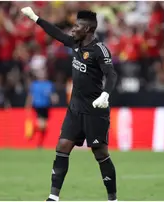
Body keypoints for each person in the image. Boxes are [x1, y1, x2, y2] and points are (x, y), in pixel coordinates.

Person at [21, 7, 118, 202]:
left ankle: (112, 199)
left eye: (77, 26)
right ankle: (53, 197)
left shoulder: (100, 50)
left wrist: (105, 94)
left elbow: (111, 74)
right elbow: (56, 33)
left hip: (95, 110)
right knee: (63, 146)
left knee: (100, 153)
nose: (73, 30)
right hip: (75, 109)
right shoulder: (75, 43)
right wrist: (35, 18)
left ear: (89, 29)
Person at [25, 69, 59, 148]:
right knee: (42, 125)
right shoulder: (34, 84)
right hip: (38, 106)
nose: (42, 75)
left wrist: (54, 98)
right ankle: (32, 131)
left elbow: (52, 94)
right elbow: (31, 96)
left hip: (46, 106)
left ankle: (39, 143)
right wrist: (28, 105)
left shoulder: (49, 84)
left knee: (44, 127)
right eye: (41, 73)